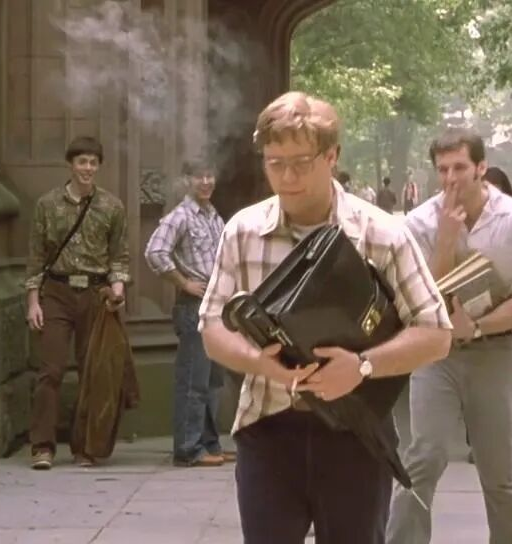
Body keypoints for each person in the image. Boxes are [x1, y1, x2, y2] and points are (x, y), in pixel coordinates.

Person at [197, 92, 452, 544]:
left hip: (355, 433)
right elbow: (212, 327)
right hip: (266, 429)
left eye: (301, 163)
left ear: (332, 156)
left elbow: (436, 333)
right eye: (275, 163)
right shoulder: (242, 231)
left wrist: (362, 367)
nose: (287, 177)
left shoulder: (382, 233)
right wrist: (260, 364)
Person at [388, 127, 512, 544]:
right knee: (424, 459)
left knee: (499, 471)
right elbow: (420, 297)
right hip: (435, 354)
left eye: (459, 167)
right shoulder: (419, 222)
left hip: (495, 352)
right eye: (442, 169)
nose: (451, 178)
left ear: (481, 168)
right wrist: (444, 241)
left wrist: (476, 326)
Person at [24, 135, 131, 470]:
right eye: (82, 161)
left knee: (92, 372)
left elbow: (119, 256)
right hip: (57, 292)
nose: (87, 168)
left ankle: (85, 447)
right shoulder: (47, 205)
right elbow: (36, 256)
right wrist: (33, 302)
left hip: (95, 295)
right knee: (51, 370)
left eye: (93, 163)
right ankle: (43, 447)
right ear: (70, 164)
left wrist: (117, 290)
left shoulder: (112, 207)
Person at [144, 160, 235, 468]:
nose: (206, 181)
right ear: (186, 181)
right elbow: (155, 252)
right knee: (194, 380)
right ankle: (187, 448)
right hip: (193, 306)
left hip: (217, 306)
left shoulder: (214, 216)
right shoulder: (179, 216)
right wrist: (183, 282)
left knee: (212, 381)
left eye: (210, 175)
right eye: (199, 176)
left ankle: (209, 444)